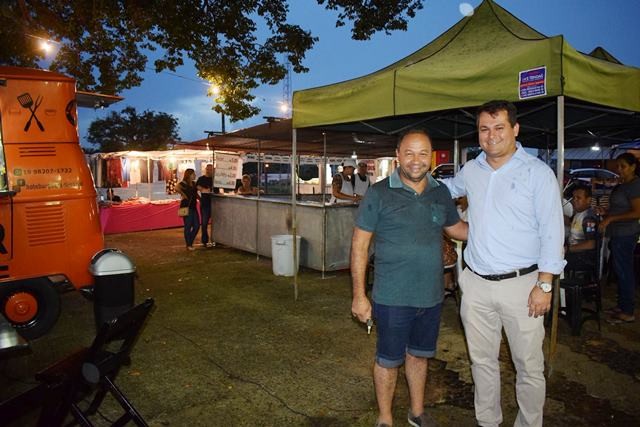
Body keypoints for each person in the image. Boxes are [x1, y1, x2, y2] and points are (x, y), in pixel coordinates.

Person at [442, 100, 565, 427]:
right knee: (481, 362)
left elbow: (553, 232)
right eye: (484, 129)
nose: (491, 135)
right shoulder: (471, 170)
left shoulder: (537, 173)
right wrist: (411, 181)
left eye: (499, 127)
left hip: (524, 287)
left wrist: (545, 284)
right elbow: (444, 192)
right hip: (477, 285)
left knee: (528, 367)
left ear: (515, 129)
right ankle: (488, 422)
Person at [351, 129, 468, 427]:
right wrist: (359, 295)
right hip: (392, 296)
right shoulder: (378, 192)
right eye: (409, 153)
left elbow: (457, 230)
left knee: (419, 356)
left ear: (430, 157)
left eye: (423, 154)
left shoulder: (440, 191)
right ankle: (385, 418)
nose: (416, 160)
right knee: (388, 360)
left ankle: (416, 412)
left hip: (430, 295)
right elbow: (360, 245)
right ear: (398, 155)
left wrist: (499, 227)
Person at [598, 153, 640, 324]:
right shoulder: (625, 184)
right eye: (618, 166)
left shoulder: (635, 185)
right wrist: (606, 213)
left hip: (626, 234)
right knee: (619, 270)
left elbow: (637, 212)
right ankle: (622, 305)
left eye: (623, 166)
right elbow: (620, 210)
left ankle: (628, 310)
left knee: (624, 271)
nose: (619, 170)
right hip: (617, 233)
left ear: (633, 167)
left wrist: (610, 219)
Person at [565, 185, 598, 274]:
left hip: (583, 258)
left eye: (578, 198)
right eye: (573, 197)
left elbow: (591, 244)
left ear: (588, 200)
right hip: (576, 254)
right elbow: (572, 223)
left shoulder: (589, 218)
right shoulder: (579, 213)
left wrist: (568, 249)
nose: (574, 200)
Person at [177, 168, 200, 251]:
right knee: (188, 226)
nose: (194, 175)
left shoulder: (194, 184)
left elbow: (196, 193)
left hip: (193, 207)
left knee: (197, 226)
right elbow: (176, 188)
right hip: (186, 206)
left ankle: (190, 242)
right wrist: (183, 194)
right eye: (193, 174)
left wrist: (200, 199)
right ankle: (189, 244)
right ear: (189, 175)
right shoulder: (183, 183)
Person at [196, 164, 218, 248]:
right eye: (208, 169)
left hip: (215, 203)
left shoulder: (215, 179)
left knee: (216, 223)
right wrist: (202, 191)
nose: (209, 171)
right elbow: (197, 187)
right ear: (206, 169)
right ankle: (204, 240)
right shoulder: (201, 179)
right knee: (204, 223)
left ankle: (216, 239)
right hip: (205, 204)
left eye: (211, 169)